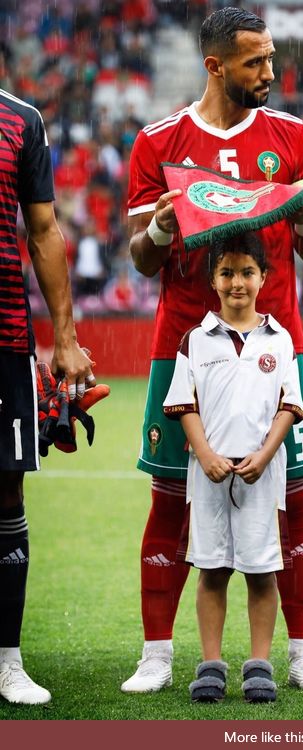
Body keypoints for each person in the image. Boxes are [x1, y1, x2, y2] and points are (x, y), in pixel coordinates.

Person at [122, 6, 303, 695]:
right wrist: (159, 228)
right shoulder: (159, 141)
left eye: (271, 59)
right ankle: (157, 655)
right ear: (216, 67)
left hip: (276, 347)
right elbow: (141, 261)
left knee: (291, 503)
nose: (270, 73)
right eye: (256, 63)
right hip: (184, 347)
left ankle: (302, 652)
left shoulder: (293, 137)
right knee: (169, 502)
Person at [164, 234, 303, 703]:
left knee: (262, 570)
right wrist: (204, 455)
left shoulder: (280, 339)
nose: (237, 282)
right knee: (212, 569)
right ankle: (210, 665)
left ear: (264, 278)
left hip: (263, 473)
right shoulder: (196, 339)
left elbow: (289, 404)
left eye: (247, 272)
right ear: (213, 280)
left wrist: (264, 456)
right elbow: (184, 404)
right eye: (226, 273)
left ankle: (259, 664)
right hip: (208, 473)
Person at [0, 88, 93, 704]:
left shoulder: (22, 118)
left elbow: (43, 229)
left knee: (5, 488)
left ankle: (7, 661)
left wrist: (65, 339)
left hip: (4, 332)